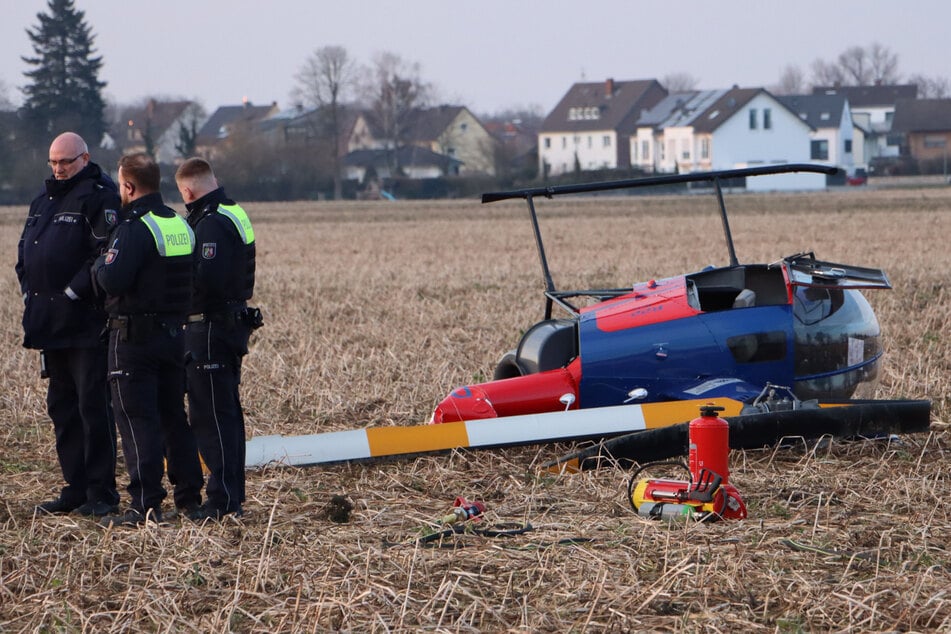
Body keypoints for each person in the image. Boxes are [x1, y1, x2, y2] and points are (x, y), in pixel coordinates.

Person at [93, 152, 204, 526]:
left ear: (128, 186)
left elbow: (110, 279)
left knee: (136, 419)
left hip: (134, 341)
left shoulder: (133, 228)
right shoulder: (178, 224)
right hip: (174, 337)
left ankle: (146, 503)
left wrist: (98, 264)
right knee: (174, 417)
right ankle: (189, 496)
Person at [15, 131, 121, 517]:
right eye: (54, 162)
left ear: (85, 158)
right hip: (47, 324)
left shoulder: (101, 197)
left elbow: (103, 254)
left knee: (93, 409)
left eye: (67, 161)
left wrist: (74, 294)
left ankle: (101, 493)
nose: (59, 169)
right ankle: (74, 487)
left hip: (85, 325)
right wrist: (29, 291)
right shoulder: (42, 200)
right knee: (62, 410)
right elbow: (25, 253)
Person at [175, 157, 259, 521]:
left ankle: (222, 500)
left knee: (210, 417)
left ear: (189, 190)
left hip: (210, 328)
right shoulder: (233, 212)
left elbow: (204, 281)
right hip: (229, 324)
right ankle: (231, 495)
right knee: (226, 415)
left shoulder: (210, 225)